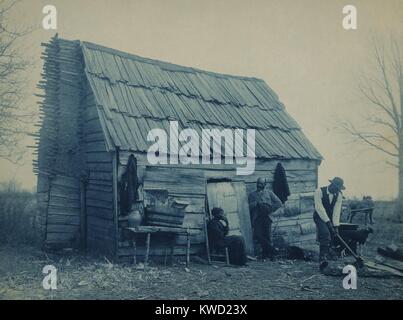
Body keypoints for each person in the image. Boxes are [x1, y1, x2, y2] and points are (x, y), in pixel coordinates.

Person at [313, 177, 345, 273]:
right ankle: (322, 259)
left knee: (331, 235)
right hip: (319, 216)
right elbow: (319, 208)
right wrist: (328, 223)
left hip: (330, 217)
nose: (337, 190)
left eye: (338, 189)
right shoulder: (319, 191)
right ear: (331, 185)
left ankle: (327, 256)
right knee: (325, 234)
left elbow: (336, 211)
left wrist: (335, 226)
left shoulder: (338, 195)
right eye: (336, 188)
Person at [248, 178, 282, 260]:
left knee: (267, 236)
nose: (259, 185)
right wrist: (254, 204)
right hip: (257, 218)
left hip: (267, 217)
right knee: (258, 235)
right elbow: (248, 207)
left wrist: (270, 209)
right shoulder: (252, 195)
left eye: (261, 183)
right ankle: (273, 251)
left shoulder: (269, 193)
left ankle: (267, 255)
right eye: (258, 183)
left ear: (265, 185)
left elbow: (279, 203)